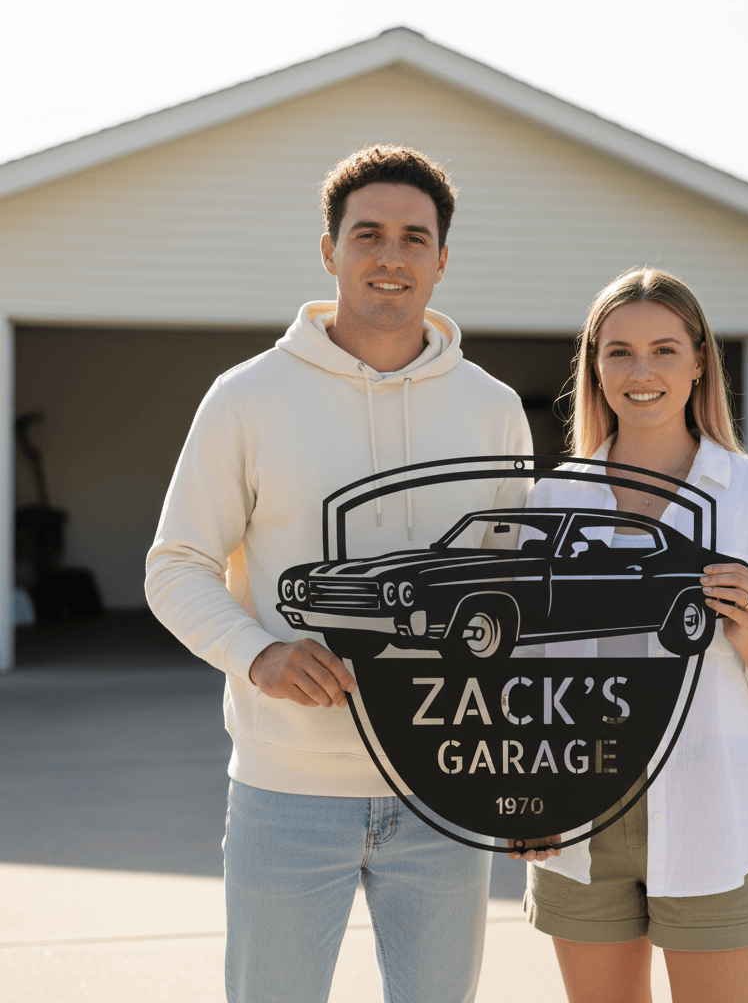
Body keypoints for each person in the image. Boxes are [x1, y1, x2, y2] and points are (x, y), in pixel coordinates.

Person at [145, 145, 533, 1003]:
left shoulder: (492, 407)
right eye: (368, 235)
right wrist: (261, 655)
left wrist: (519, 770)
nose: (390, 257)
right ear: (330, 251)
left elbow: (512, 591)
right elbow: (175, 566)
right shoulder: (247, 396)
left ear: (441, 259)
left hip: (446, 788)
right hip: (288, 794)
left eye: (412, 238)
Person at [510, 268, 748, 1003]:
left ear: (699, 362)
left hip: (717, 811)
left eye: (663, 349)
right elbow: (523, 672)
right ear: (595, 367)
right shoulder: (554, 497)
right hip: (578, 817)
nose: (642, 371)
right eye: (619, 351)